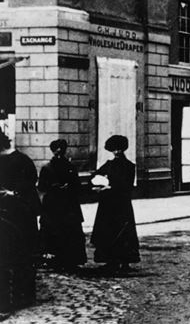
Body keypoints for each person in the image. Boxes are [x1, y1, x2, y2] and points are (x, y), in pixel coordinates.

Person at [0, 130, 40, 312]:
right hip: (13, 215)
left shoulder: (20, 161)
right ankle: (21, 296)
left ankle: (21, 296)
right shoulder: (20, 159)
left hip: (17, 215)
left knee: (19, 257)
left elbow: (29, 185)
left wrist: (12, 193)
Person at [91, 135, 140, 275]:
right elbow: (95, 175)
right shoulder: (109, 164)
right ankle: (111, 261)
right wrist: (98, 183)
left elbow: (127, 186)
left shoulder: (129, 166)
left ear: (123, 149)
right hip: (108, 204)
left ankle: (125, 262)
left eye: (119, 149)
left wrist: (110, 188)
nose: (117, 152)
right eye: (114, 149)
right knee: (109, 232)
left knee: (123, 232)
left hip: (122, 204)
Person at [38, 139, 87, 270]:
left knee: (69, 232)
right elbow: (42, 187)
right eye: (56, 149)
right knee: (53, 231)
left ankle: (70, 259)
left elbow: (77, 186)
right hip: (53, 205)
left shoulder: (71, 167)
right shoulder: (47, 168)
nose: (59, 151)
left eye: (61, 149)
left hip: (68, 205)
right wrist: (55, 187)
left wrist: (69, 187)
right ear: (53, 151)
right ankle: (53, 259)